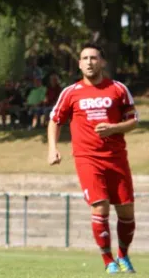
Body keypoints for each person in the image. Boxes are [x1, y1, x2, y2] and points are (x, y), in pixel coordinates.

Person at [47, 43, 138, 274]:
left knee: (126, 210)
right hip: (87, 158)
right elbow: (55, 120)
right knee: (100, 207)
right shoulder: (70, 92)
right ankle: (108, 262)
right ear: (79, 64)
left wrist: (114, 128)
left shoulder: (118, 89)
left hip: (117, 159)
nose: (89, 62)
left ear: (103, 62)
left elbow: (134, 120)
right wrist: (52, 148)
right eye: (85, 58)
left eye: (94, 58)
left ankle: (123, 256)